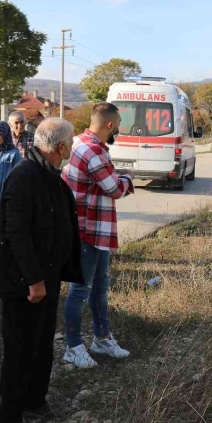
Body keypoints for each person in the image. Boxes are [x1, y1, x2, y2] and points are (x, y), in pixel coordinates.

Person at [0, 118, 82, 423]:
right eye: (71, 143)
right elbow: (15, 233)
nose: (72, 149)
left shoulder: (51, 175)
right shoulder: (25, 176)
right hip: (25, 285)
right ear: (60, 147)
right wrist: (35, 281)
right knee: (19, 349)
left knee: (41, 346)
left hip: (47, 279)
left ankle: (35, 401)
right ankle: (9, 419)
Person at [61, 102, 134, 369]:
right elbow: (114, 188)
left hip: (94, 229)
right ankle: (73, 347)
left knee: (99, 286)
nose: (118, 131)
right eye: (118, 126)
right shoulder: (93, 150)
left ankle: (102, 339)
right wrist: (129, 178)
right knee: (81, 289)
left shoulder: (79, 141)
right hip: (87, 229)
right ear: (110, 125)